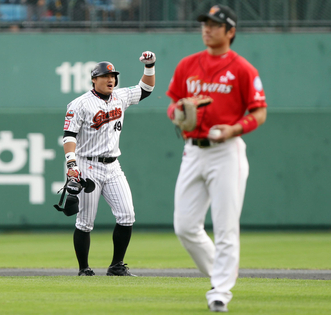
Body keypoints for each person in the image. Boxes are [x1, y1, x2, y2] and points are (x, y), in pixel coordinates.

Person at [165, 5, 267, 312]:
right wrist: (179, 113)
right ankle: (222, 272)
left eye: (215, 24)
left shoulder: (243, 69)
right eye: (205, 24)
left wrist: (234, 128)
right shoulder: (188, 65)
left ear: (230, 32)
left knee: (225, 226)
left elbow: (259, 112)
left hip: (226, 150)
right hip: (192, 150)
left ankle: (220, 292)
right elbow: (172, 104)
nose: (207, 29)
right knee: (184, 225)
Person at [62, 51, 156, 276]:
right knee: (85, 222)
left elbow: (146, 89)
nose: (111, 79)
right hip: (87, 165)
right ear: (94, 79)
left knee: (127, 215)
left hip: (113, 165)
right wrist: (71, 165)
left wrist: (150, 66)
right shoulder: (79, 104)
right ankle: (84, 268)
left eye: (113, 75)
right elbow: (69, 136)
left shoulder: (120, 97)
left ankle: (116, 266)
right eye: (105, 76)